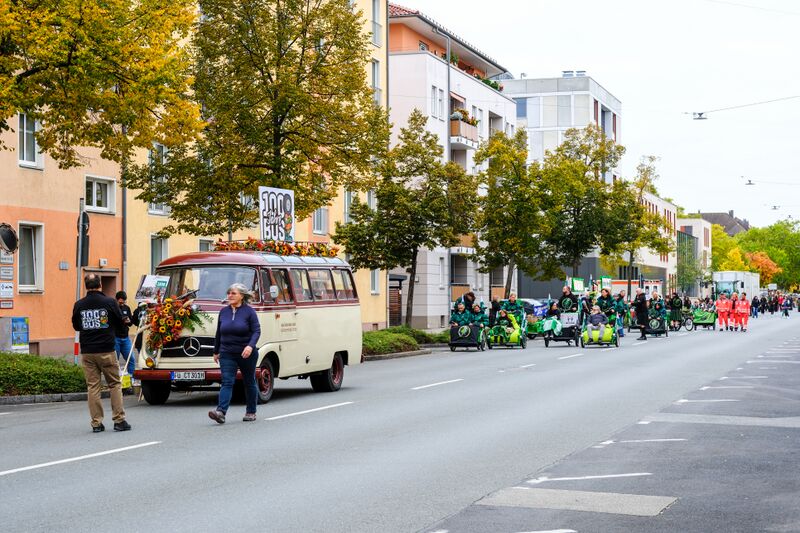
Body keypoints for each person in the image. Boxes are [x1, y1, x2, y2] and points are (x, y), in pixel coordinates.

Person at [71, 274, 131, 433]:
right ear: (100, 285)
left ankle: (96, 423)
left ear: (86, 286)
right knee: (114, 384)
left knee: (93, 387)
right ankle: (119, 420)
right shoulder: (110, 302)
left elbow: (76, 326)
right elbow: (120, 322)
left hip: (88, 352)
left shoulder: (79, 305)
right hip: (106, 349)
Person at [208, 283, 262, 424]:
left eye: (233, 293)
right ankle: (221, 412)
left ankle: (251, 411)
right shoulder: (224, 311)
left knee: (249, 381)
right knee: (227, 382)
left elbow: (256, 331)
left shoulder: (249, 312)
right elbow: (219, 332)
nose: (230, 296)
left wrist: (250, 346)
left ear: (241, 296)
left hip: (246, 353)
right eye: (229, 293)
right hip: (227, 353)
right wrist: (216, 351)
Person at [114, 291, 135, 381]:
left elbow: (130, 323)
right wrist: (120, 320)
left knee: (131, 359)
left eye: (124, 302)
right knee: (115, 361)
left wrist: (128, 321)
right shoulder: (113, 308)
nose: (122, 304)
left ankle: (131, 378)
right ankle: (116, 380)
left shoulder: (127, 308)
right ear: (117, 300)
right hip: (115, 338)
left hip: (125, 338)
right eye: (120, 302)